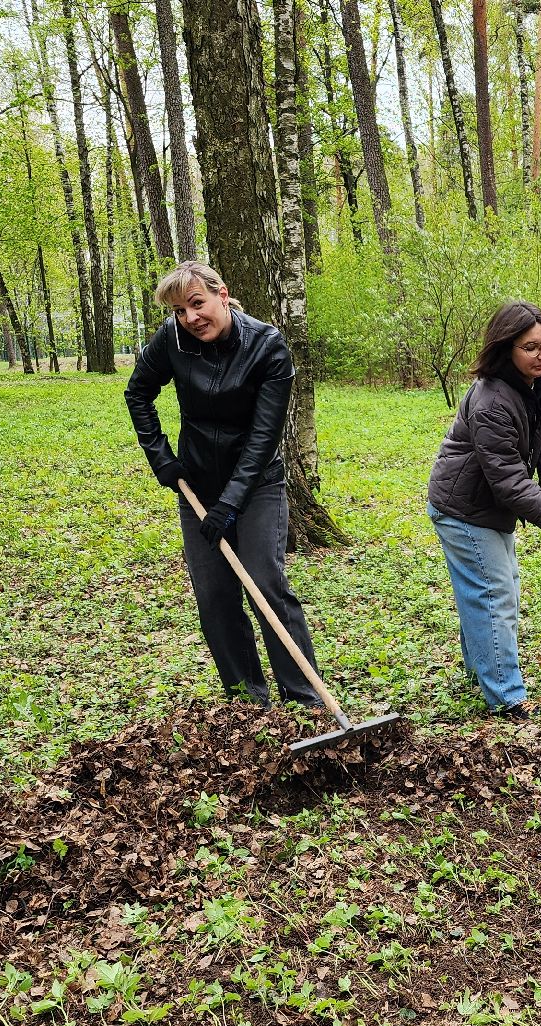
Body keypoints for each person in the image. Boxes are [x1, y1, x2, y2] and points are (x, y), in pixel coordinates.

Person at [125, 261, 324, 709]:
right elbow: (138, 393)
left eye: (197, 303)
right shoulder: (170, 340)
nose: (191, 318)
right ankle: (248, 699)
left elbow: (263, 436)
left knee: (265, 582)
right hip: (196, 485)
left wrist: (232, 502)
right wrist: (164, 461)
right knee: (215, 596)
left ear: (223, 294)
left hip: (257, 485)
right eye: (180, 310)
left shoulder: (267, 346)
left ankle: (305, 698)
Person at [426, 300, 541, 719]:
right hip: (463, 509)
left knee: (496, 588)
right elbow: (508, 480)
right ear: (506, 349)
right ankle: (507, 696)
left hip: (489, 506)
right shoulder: (491, 400)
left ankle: (481, 669)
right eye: (531, 347)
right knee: (495, 596)